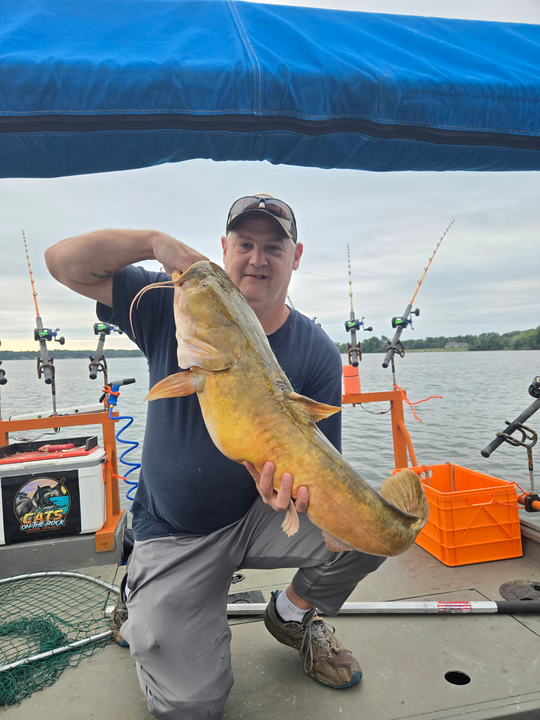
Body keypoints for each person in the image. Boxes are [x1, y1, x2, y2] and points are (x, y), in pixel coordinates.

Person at [45, 194, 385, 720]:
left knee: (377, 523)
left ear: (296, 257)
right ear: (224, 248)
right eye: (245, 244)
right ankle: (144, 596)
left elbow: (325, 462)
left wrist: (301, 500)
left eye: (274, 246)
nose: (258, 259)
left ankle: (292, 614)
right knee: (192, 707)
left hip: (259, 514)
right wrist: (153, 242)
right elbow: (61, 262)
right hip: (176, 528)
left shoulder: (316, 349)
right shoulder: (168, 303)